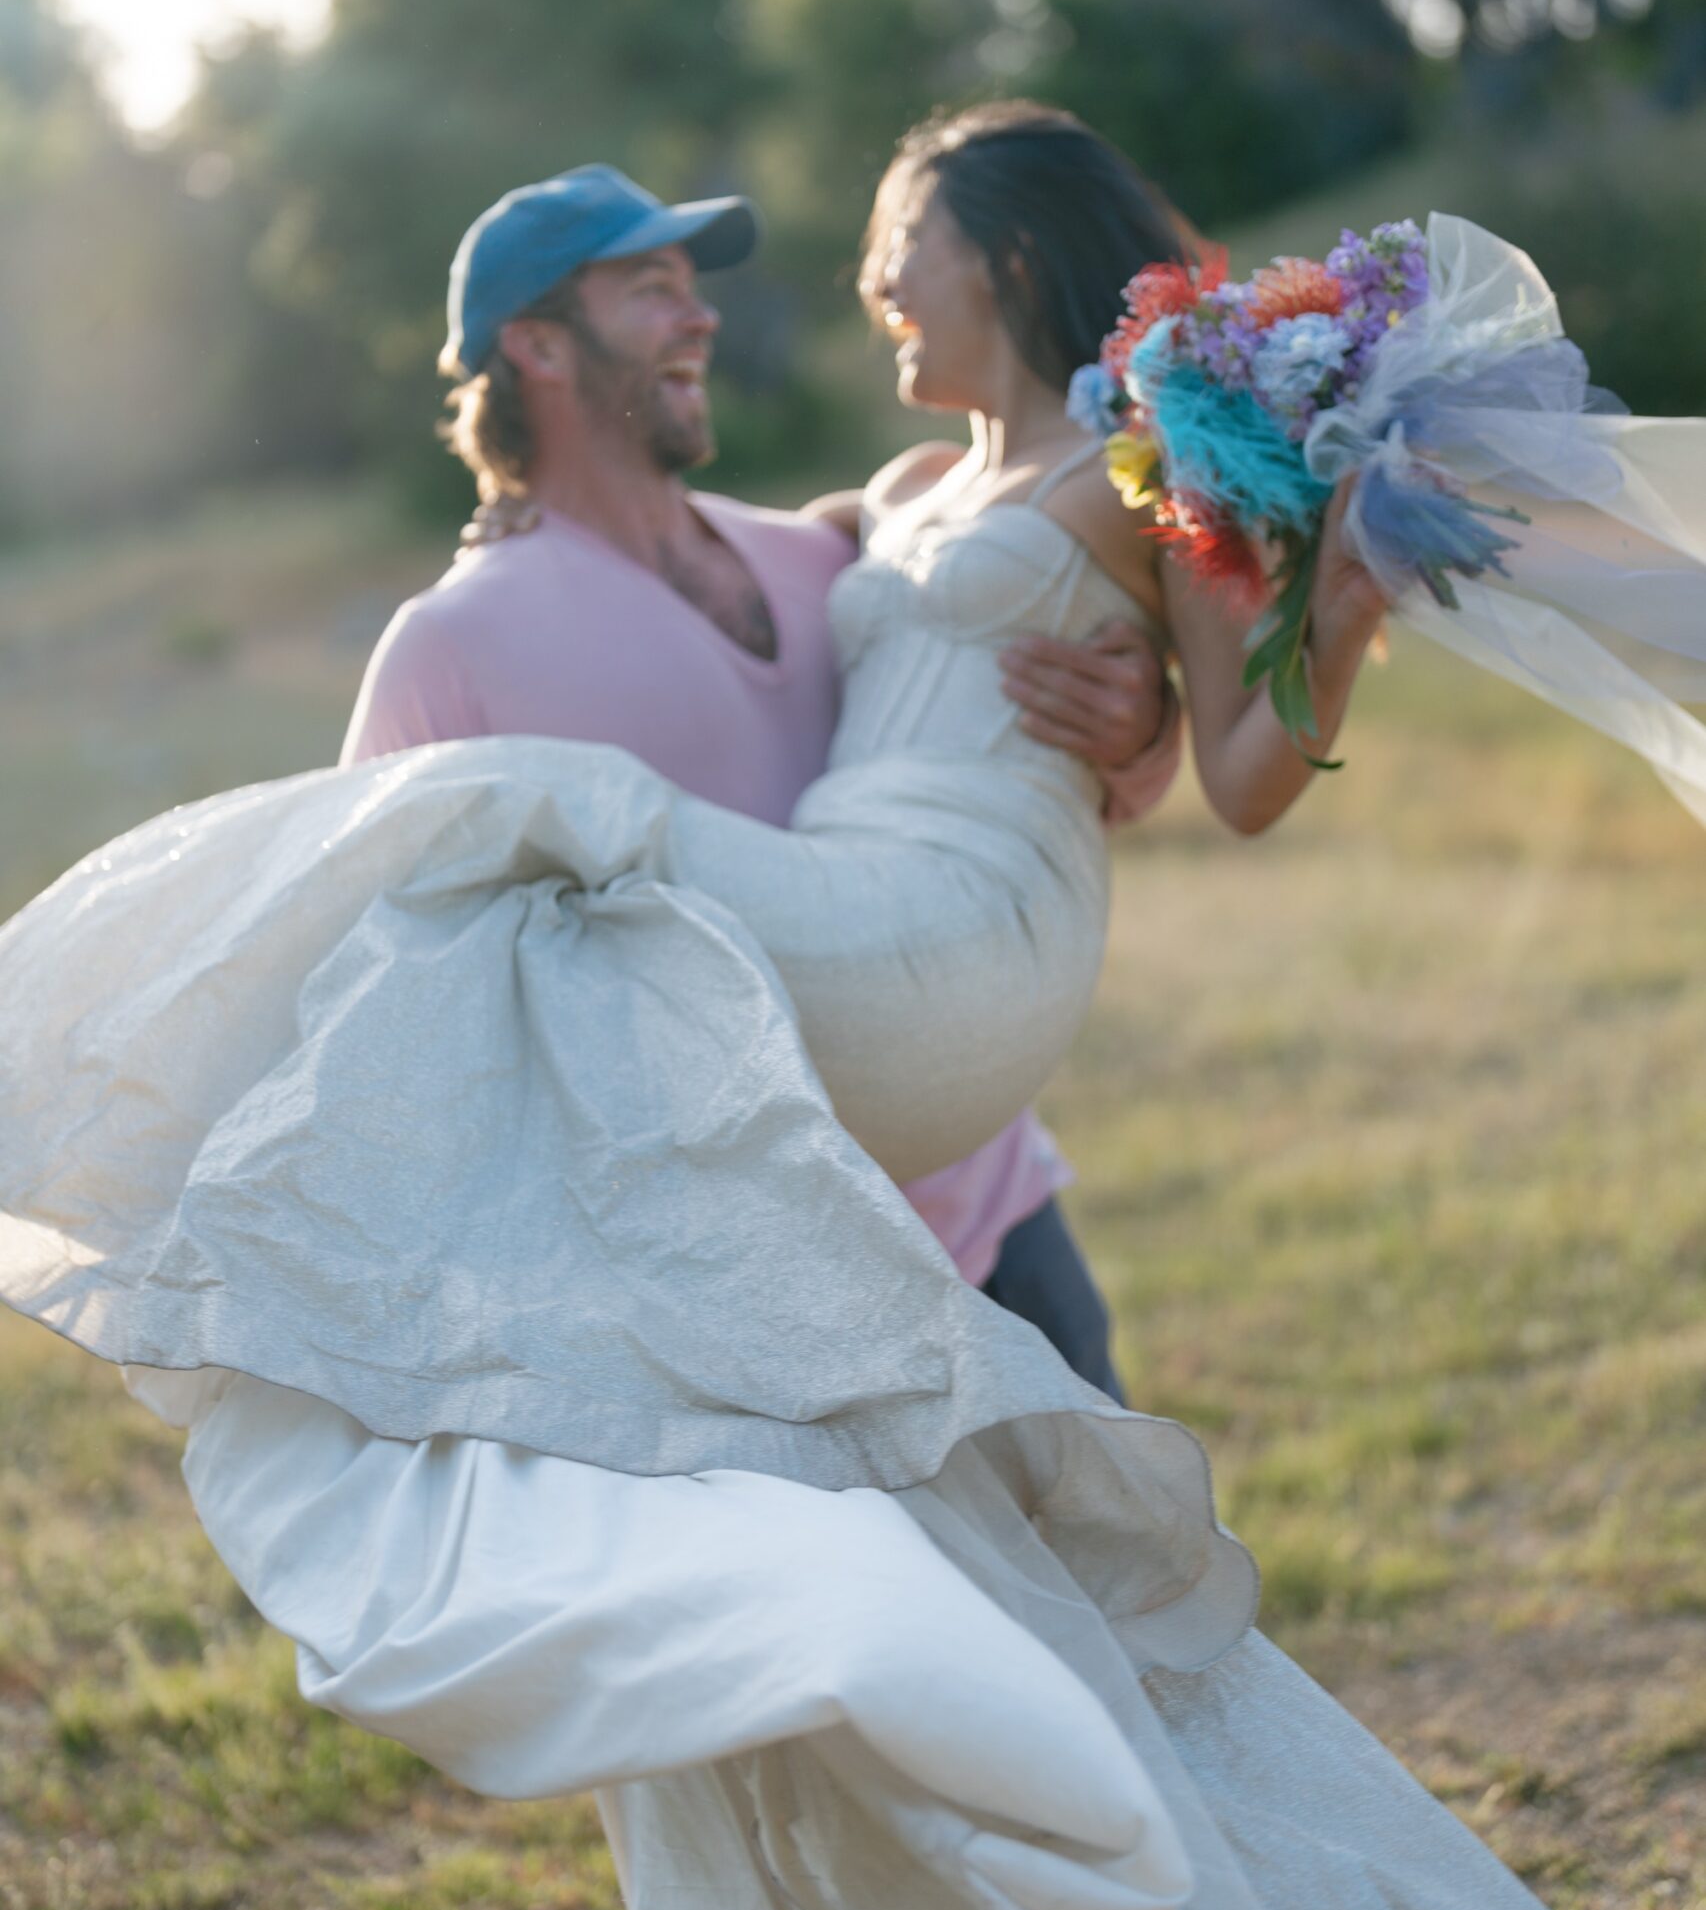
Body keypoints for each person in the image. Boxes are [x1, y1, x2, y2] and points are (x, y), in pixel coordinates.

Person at [3, 105, 1702, 1910]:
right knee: (498, 856)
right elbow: (938, 644)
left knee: (1119, 1613)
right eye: (650, 283)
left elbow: (1153, 726)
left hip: (943, 1087)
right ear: (540, 349)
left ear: (1000, 254)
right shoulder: (615, 586)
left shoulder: (860, 534)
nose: (779, 293)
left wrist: (1186, 705)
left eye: (894, 246)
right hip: (782, 1200)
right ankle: (286, 1245)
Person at [339, 159, 1185, 1404]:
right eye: (648, 291)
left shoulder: (830, 559)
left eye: (693, 287)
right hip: (746, 1309)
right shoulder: (450, 649)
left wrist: (1140, 725)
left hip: (985, 1210)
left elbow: (1027, 778)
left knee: (1121, 1587)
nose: (701, 318)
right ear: (538, 347)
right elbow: (384, 982)